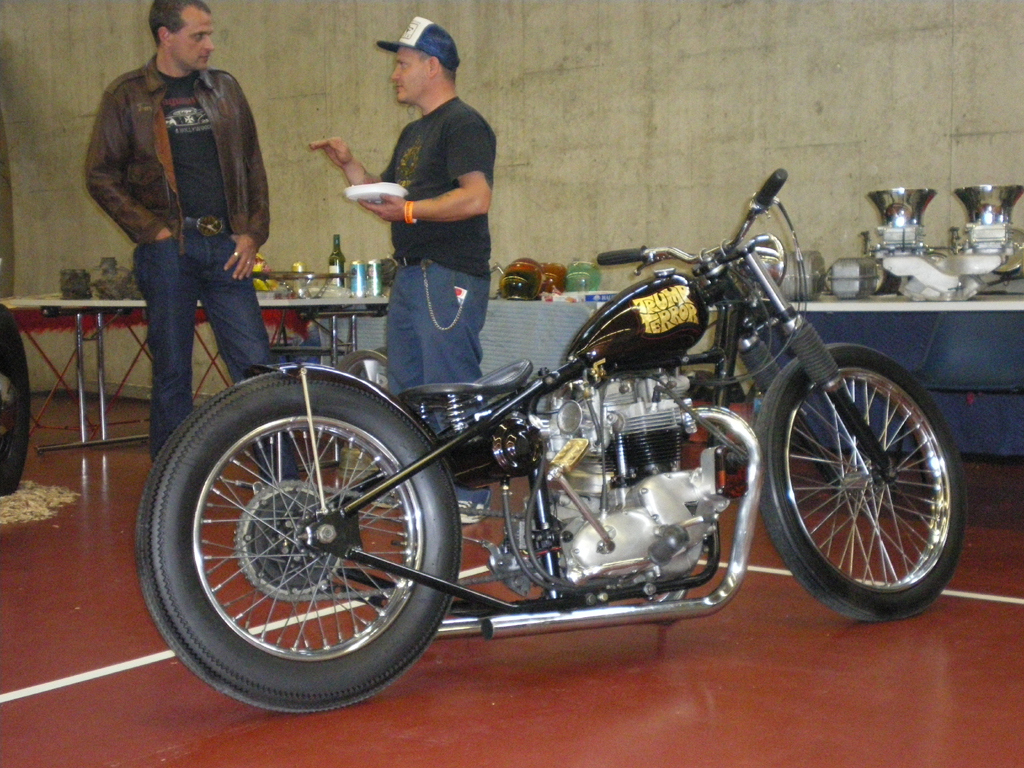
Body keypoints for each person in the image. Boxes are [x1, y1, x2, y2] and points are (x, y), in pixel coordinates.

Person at [85, 0, 272, 458]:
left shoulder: (225, 88)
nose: (210, 45)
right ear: (165, 36)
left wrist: (253, 233)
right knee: (172, 373)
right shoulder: (126, 95)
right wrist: (153, 231)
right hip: (169, 251)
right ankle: (173, 483)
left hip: (228, 247)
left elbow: (252, 165)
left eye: (210, 34)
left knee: (257, 368)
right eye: (198, 36)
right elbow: (100, 174)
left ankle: (283, 480)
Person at [310, 16, 496, 397]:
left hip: (447, 274)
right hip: (410, 276)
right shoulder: (413, 132)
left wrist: (409, 211)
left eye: (402, 65)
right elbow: (387, 196)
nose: (394, 75)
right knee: (405, 397)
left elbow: (476, 198)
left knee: (447, 393)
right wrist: (349, 164)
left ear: (432, 66)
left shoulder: (462, 123)